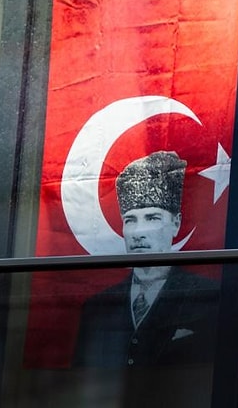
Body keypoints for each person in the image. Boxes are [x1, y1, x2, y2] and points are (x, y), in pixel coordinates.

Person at [73, 150, 219, 368]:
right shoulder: (97, 308)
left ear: (176, 224)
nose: (139, 232)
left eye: (152, 218)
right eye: (130, 220)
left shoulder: (210, 299)